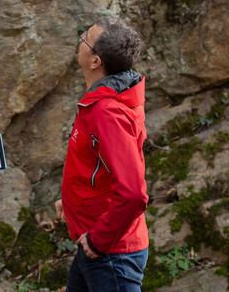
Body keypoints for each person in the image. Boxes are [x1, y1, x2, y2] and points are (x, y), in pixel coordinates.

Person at [55, 16, 149, 291]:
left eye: (85, 37)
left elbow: (133, 194)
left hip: (111, 254)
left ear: (96, 61)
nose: (80, 39)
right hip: (96, 247)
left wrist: (99, 240)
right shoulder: (102, 100)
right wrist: (72, 203)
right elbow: (99, 167)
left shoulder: (108, 113)